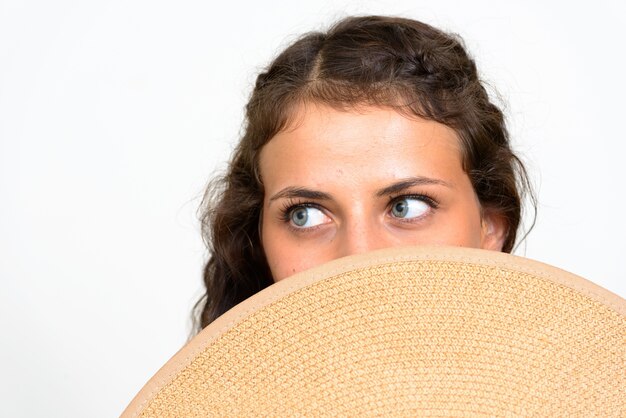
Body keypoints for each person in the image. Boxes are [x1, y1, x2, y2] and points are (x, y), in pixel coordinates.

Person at [192, 15, 535, 333]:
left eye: (407, 206)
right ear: (257, 241)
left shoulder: (574, 393)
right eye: (304, 215)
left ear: (490, 228)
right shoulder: (200, 402)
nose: (358, 258)